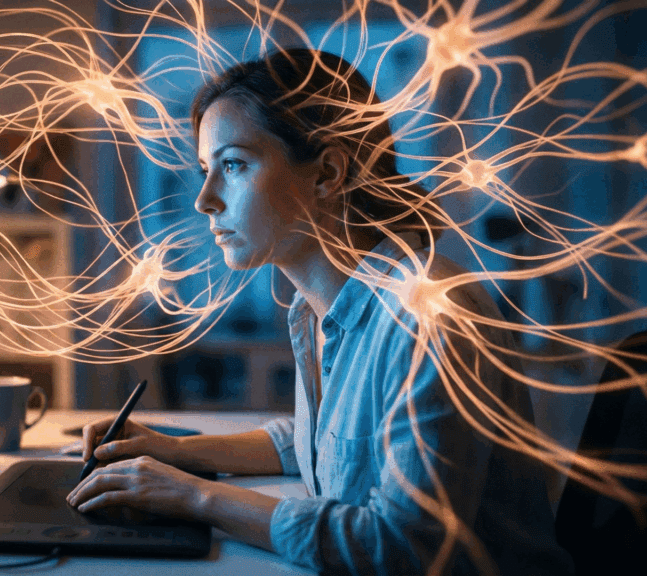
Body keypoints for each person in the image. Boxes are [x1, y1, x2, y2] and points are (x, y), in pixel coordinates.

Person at [66, 48, 574, 576]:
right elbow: (323, 443)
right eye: (205, 170)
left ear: (328, 172)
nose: (206, 200)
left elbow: (404, 547)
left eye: (234, 165)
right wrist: (172, 452)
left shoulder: (429, 318)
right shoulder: (318, 310)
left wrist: (194, 498)